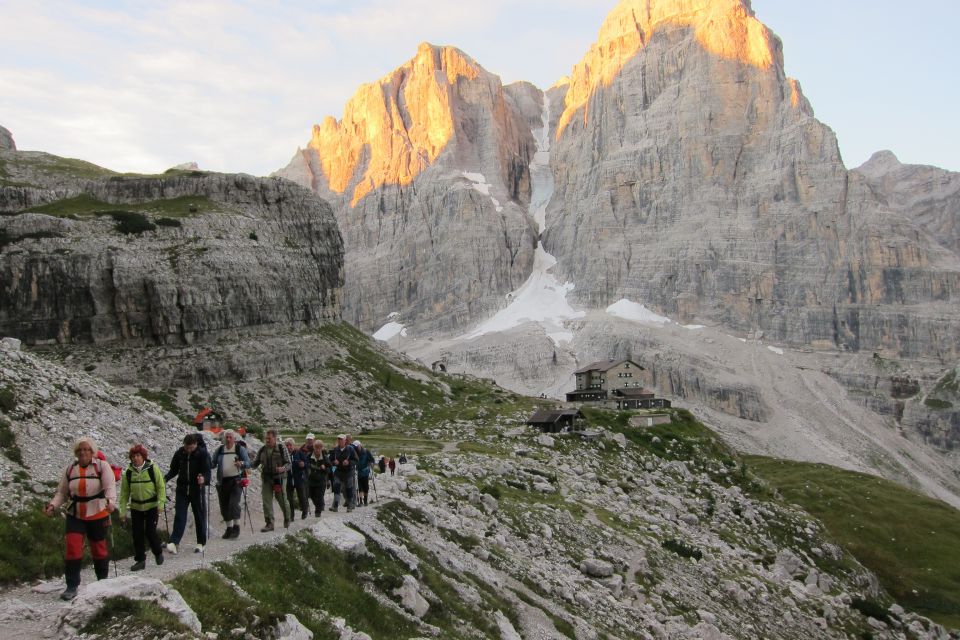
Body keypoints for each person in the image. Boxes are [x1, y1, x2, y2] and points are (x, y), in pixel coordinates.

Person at [44, 437, 117, 601]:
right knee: (72, 547)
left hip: (98, 511)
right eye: (80, 450)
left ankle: (102, 582)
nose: (83, 452)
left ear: (92, 452)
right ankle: (71, 585)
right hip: (75, 513)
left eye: (86, 449)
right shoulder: (70, 469)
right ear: (76, 452)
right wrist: (52, 506)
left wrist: (111, 502)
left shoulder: (101, 466)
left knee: (99, 549)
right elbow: (62, 493)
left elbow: (110, 487)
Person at [118, 444, 166, 571]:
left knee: (150, 531)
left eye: (138, 455)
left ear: (143, 456)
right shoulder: (128, 473)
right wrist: (122, 512)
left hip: (152, 506)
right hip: (136, 507)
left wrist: (161, 504)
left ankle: (158, 552)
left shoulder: (152, 468)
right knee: (137, 534)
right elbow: (124, 494)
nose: (135, 458)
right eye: (133, 456)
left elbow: (161, 487)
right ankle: (140, 560)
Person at [164, 433, 211, 554]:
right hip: (182, 489)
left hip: (197, 489)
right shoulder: (180, 453)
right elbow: (174, 470)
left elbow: (207, 472)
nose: (189, 450)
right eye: (187, 447)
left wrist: (204, 479)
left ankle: (201, 543)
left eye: (191, 447)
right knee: (179, 515)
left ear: (195, 444)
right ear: (184, 445)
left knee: (199, 516)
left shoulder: (203, 454)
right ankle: (174, 542)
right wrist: (165, 479)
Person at [211, 430, 250, 540]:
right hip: (222, 481)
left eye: (230, 437)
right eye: (226, 437)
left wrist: (241, 463)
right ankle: (229, 528)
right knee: (224, 506)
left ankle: (236, 527)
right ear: (224, 439)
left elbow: (248, 463)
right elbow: (213, 463)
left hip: (236, 480)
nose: (228, 439)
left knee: (233, 504)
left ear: (234, 439)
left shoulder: (239, 449)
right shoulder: (219, 450)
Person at [251, 429, 291, 530]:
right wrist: (243, 464)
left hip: (279, 479)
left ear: (275, 438)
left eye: (269, 438)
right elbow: (254, 464)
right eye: (266, 438)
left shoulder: (282, 448)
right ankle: (269, 523)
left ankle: (287, 518)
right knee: (266, 500)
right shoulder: (262, 449)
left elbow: (289, 463)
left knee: (282, 499)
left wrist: (283, 468)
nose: (267, 440)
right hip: (266, 478)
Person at [331, 434, 358, 511]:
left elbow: (356, 460)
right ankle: (335, 506)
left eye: (341, 439)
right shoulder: (335, 450)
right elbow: (330, 460)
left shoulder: (350, 449)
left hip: (348, 472)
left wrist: (348, 462)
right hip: (338, 472)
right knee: (336, 488)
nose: (340, 441)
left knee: (349, 488)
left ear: (345, 441)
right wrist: (333, 462)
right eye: (338, 439)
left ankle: (350, 505)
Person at [285, 437, 309, 520]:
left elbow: (307, 463)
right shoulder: (284, 455)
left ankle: (305, 511)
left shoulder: (299, 453)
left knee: (302, 496)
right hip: (288, 479)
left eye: (290, 445)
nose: (289, 447)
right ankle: (291, 515)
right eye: (287, 445)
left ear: (293, 445)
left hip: (299, 478)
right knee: (289, 498)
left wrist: (303, 464)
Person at [307, 440, 329, 517]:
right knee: (312, 496)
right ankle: (319, 506)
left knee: (319, 496)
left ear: (321, 448)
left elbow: (329, 469)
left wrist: (325, 468)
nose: (317, 450)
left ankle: (318, 511)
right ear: (314, 448)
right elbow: (306, 465)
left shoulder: (325, 458)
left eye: (319, 448)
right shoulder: (309, 456)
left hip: (321, 480)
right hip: (311, 480)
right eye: (316, 448)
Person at [353, 440, 375, 506]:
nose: (356, 448)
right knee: (359, 487)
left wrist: (370, 464)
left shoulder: (366, 451)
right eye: (355, 447)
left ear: (360, 445)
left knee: (365, 486)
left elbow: (372, 459)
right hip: (358, 472)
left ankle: (365, 500)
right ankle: (360, 502)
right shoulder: (354, 452)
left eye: (357, 446)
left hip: (365, 472)